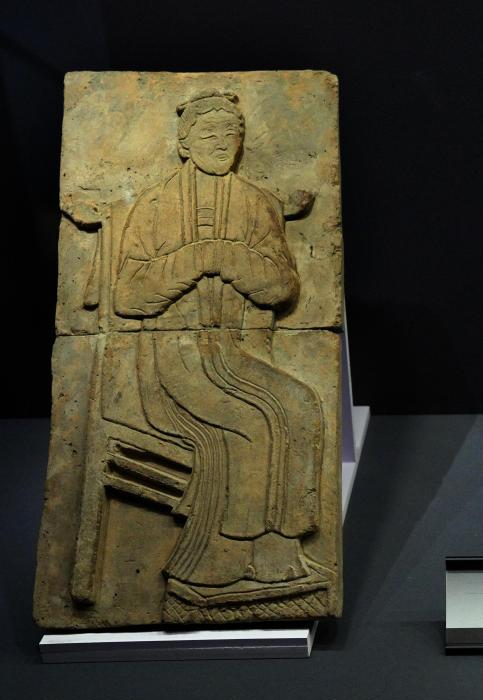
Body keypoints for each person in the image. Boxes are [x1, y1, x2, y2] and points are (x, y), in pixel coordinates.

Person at [114, 91, 325, 603]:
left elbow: (281, 288)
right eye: (208, 134)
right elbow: (129, 295)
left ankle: (277, 551)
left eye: (231, 134)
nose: (221, 143)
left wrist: (230, 257)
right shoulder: (155, 204)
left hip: (241, 353)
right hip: (176, 360)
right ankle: (217, 560)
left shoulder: (255, 202)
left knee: (301, 406)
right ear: (184, 144)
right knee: (248, 423)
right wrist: (197, 257)